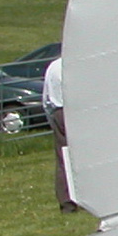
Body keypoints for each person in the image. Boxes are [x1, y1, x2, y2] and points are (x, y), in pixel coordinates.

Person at [42, 56, 77, 210]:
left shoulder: (53, 67)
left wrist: (52, 119)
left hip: (59, 111)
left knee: (63, 159)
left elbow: (46, 98)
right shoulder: (76, 64)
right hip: (76, 111)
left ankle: (66, 201)